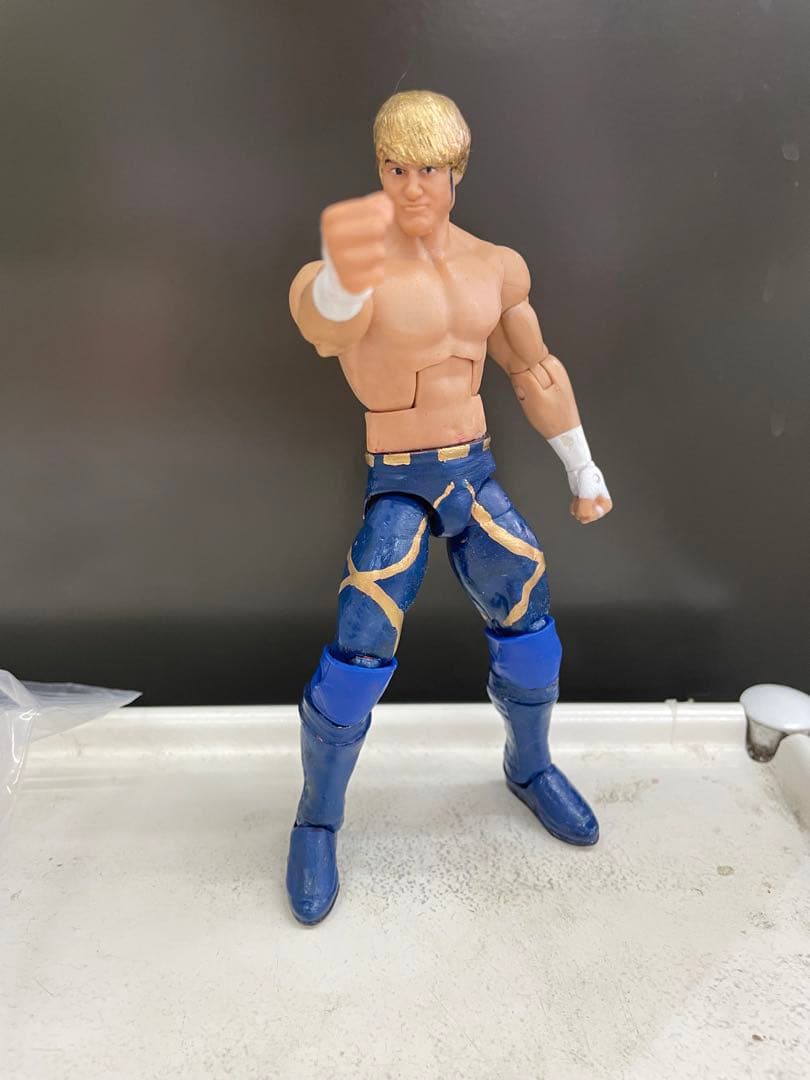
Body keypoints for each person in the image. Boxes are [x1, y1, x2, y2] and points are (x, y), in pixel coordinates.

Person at [286, 90, 613, 925]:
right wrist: (340, 273)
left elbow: (534, 370)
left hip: (472, 472)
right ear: (379, 169)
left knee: (530, 620)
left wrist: (581, 467)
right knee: (359, 648)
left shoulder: (494, 267)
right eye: (395, 168)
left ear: (456, 170)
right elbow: (322, 324)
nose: (412, 186)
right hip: (398, 477)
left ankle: (529, 767)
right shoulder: (355, 268)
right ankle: (317, 818)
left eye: (428, 169)